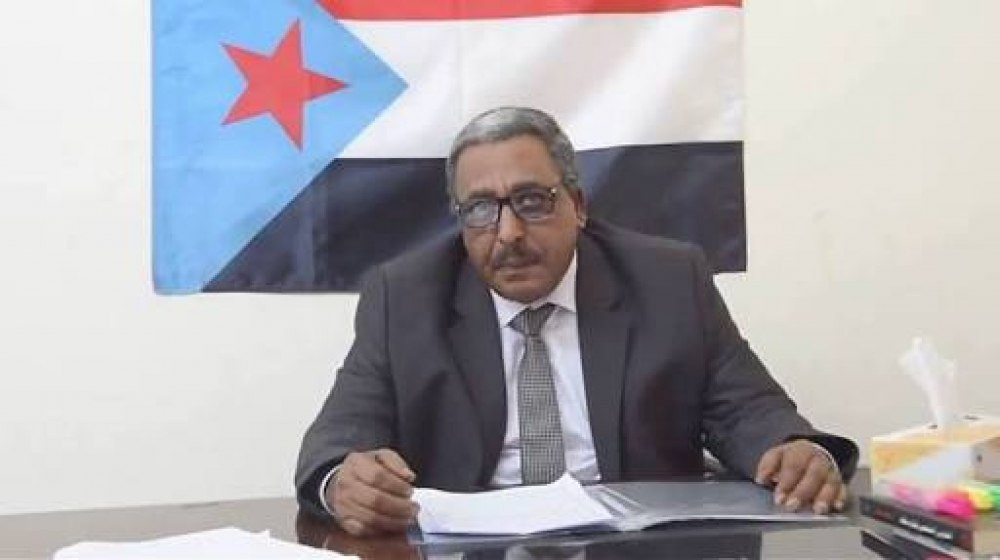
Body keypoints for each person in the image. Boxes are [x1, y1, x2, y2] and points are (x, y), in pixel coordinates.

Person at [295, 107, 859, 537]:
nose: (508, 233)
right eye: (481, 210)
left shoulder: (668, 280)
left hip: (634, 547)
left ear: (578, 206)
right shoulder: (404, 297)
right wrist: (342, 482)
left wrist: (796, 450)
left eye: (532, 201)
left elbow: (748, 408)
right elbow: (337, 438)